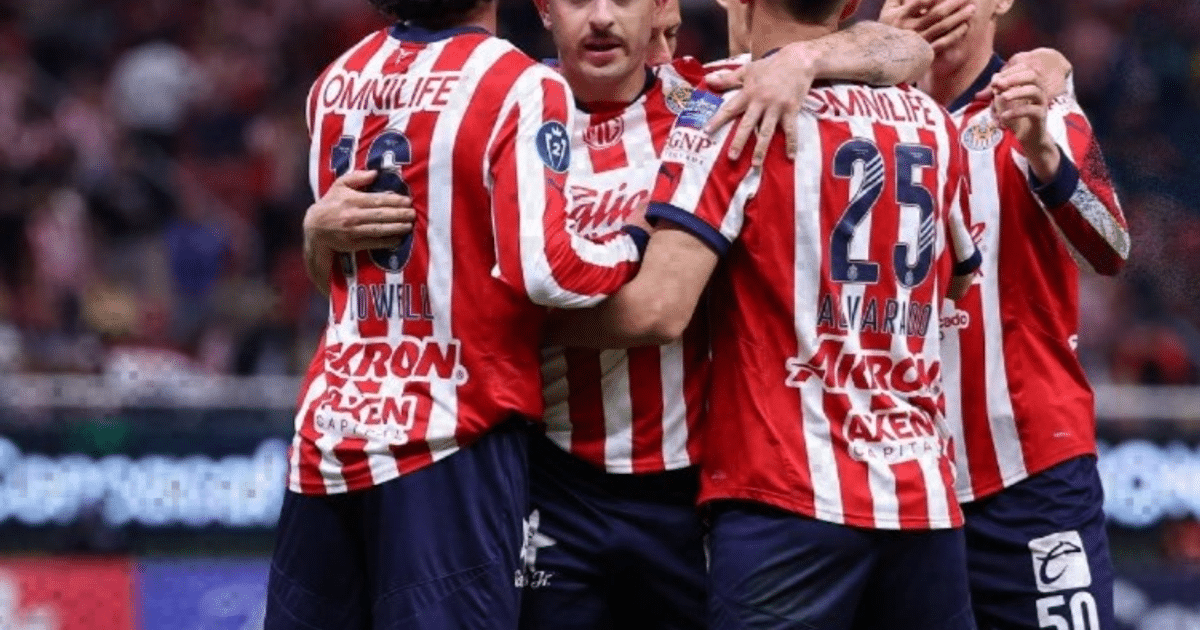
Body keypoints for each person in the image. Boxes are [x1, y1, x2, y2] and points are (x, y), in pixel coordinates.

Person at [545, 0, 983, 627]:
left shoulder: (731, 107)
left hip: (787, 495)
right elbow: (961, 279)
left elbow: (658, 312)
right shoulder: (930, 119)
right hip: (922, 496)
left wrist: (506, 322)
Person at [265, 0, 646, 627]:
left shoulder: (334, 81)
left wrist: (312, 233)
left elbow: (334, 269)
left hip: (329, 436)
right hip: (449, 438)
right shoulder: (520, 82)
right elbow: (547, 271)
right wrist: (631, 243)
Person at [880, 0, 1131, 628]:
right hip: (896, 483)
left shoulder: (1035, 103)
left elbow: (1112, 247)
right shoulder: (864, 119)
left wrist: (1043, 152)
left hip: (1033, 477)